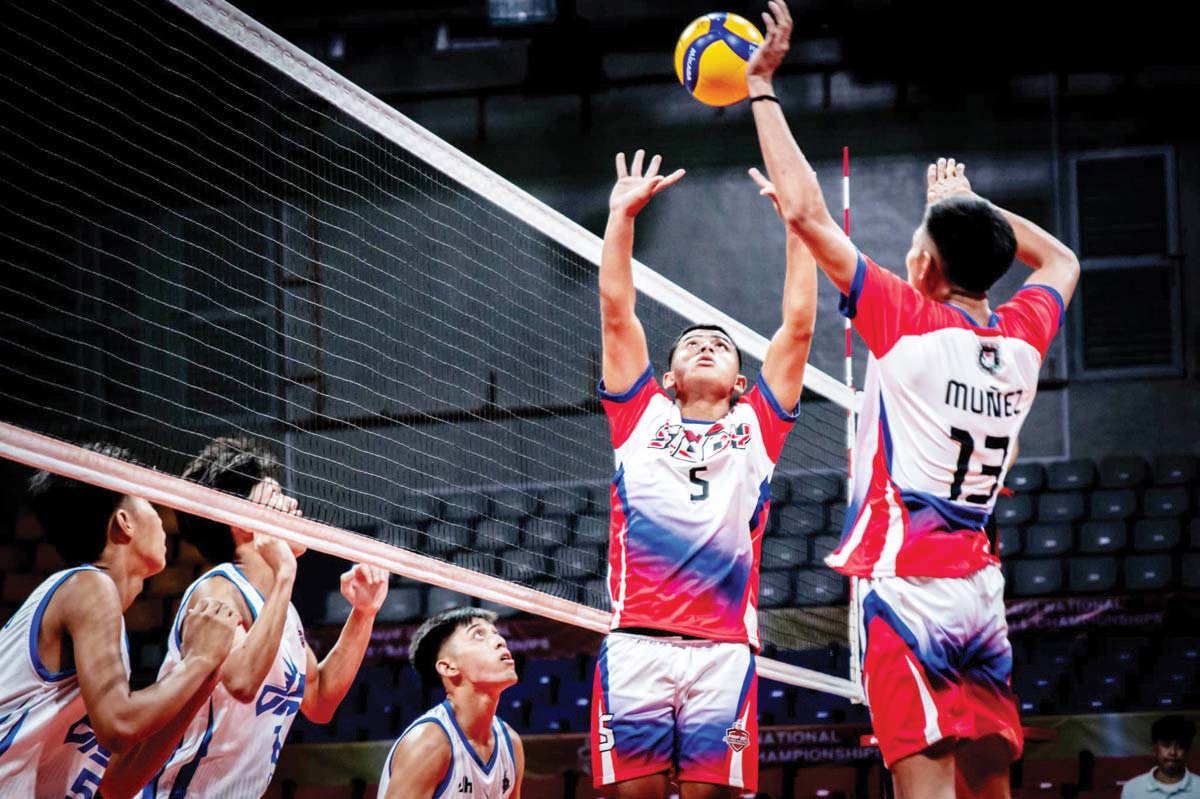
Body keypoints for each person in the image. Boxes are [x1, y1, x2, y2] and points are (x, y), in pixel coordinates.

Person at [744, 4, 1080, 798]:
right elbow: (1061, 258)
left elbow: (805, 211)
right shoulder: (1023, 336)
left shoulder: (907, 322)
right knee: (992, 785)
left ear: (925, 271)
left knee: (923, 787)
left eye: (916, 247)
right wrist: (975, 209)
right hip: (979, 588)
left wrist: (761, 87)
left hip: (906, 587)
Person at [590, 144, 818, 798]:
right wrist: (622, 218)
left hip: (722, 648)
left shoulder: (756, 425)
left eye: (720, 343)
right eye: (693, 342)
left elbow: (798, 327)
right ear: (669, 377)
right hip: (637, 638)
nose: (706, 343)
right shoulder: (638, 413)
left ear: (740, 380)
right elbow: (616, 309)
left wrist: (798, 228)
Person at [140, 435, 389, 798]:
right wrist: (285, 574)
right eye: (275, 497)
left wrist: (363, 614)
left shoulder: (280, 610)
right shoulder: (217, 592)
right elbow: (241, 682)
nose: (293, 504)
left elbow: (319, 699)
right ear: (241, 520)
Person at [0, 445, 238, 799]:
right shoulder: (88, 587)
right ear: (124, 523)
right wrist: (198, 661)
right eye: (149, 503)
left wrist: (204, 675)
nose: (161, 519)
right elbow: (119, 725)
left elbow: (117, 784)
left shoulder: (94, 606)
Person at [379, 607, 523, 799]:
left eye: (495, 633)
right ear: (448, 667)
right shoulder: (429, 744)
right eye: (479, 634)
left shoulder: (510, 743)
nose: (500, 641)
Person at [1121, 716, 1199, 799]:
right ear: (1154, 749)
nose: (1173, 752)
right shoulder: (1132, 789)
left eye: (1180, 746)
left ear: (1188, 751)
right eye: (1166, 745)